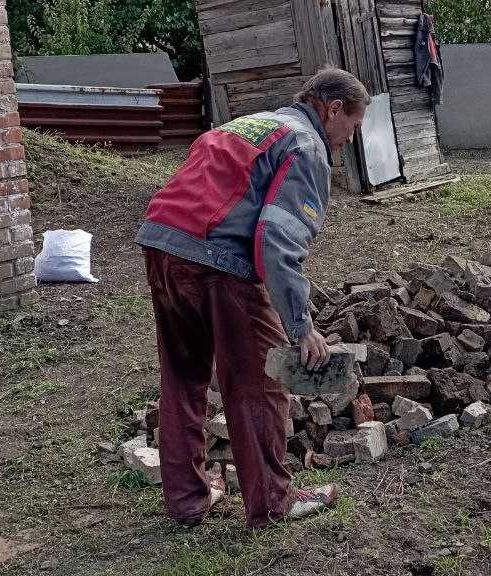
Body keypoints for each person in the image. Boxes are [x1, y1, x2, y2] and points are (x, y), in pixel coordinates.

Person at [136, 67, 370, 530]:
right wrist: (300, 328)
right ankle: (272, 503)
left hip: (162, 245)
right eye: (354, 126)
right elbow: (277, 242)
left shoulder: (249, 124)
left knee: (183, 377)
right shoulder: (306, 145)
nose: (350, 139)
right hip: (215, 260)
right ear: (334, 108)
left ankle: (187, 501)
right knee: (258, 383)